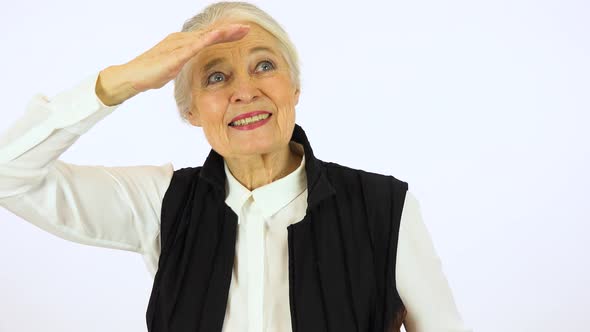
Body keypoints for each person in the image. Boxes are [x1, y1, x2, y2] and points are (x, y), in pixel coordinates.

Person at [0, 2, 471, 331]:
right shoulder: (161, 203)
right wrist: (117, 82)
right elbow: (9, 174)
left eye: (264, 66)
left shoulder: (384, 207)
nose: (244, 90)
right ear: (191, 111)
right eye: (216, 77)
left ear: (295, 89)